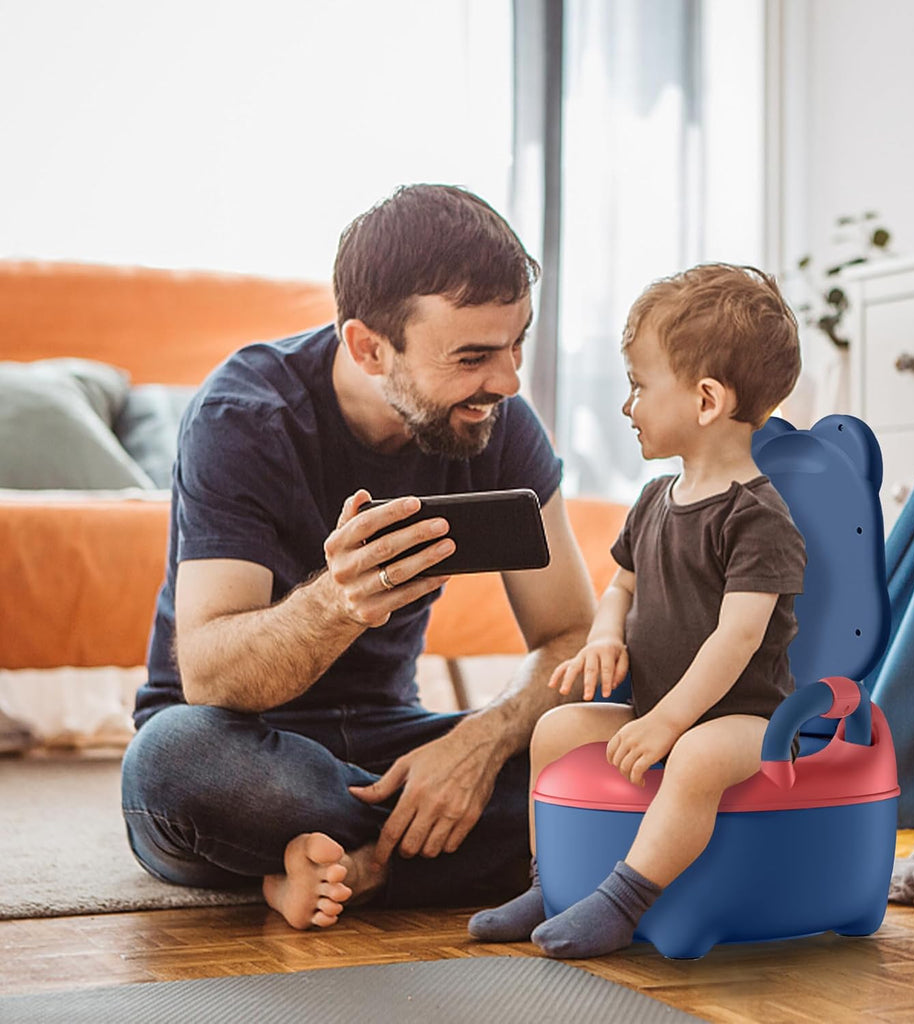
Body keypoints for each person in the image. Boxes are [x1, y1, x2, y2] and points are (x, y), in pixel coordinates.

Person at [120, 184, 597, 930]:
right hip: (244, 745)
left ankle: (330, 866)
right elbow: (208, 674)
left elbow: (573, 635)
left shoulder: (496, 422)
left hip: (391, 740)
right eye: (473, 356)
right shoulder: (243, 417)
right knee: (174, 764)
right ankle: (427, 853)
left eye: (517, 344)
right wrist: (336, 603)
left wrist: (481, 740)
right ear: (368, 347)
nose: (506, 382)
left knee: (613, 737)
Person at [468, 263, 806, 958]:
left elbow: (738, 640)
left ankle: (622, 902)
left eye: (638, 386)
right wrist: (602, 637)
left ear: (706, 399)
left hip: (749, 723)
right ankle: (551, 884)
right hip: (657, 709)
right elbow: (621, 586)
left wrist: (669, 724)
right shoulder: (656, 499)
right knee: (556, 730)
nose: (627, 407)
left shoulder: (758, 518)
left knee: (696, 759)